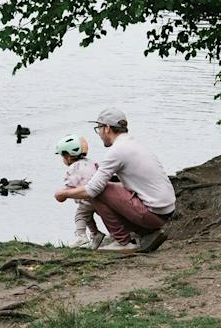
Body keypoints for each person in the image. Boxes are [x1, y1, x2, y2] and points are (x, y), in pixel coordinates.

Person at [54, 107, 176, 252]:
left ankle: (123, 242)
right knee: (106, 186)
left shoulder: (117, 151)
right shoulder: (134, 144)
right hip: (165, 211)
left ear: (107, 128)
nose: (99, 133)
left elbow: (92, 190)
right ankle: (146, 234)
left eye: (98, 128)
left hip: (153, 214)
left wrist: (64, 194)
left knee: (96, 191)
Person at [55, 135, 102, 248]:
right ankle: (96, 234)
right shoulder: (92, 162)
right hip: (100, 197)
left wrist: (63, 193)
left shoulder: (72, 169)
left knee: (80, 216)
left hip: (86, 198)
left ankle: (81, 236)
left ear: (68, 157)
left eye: (63, 156)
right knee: (88, 216)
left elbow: (70, 186)